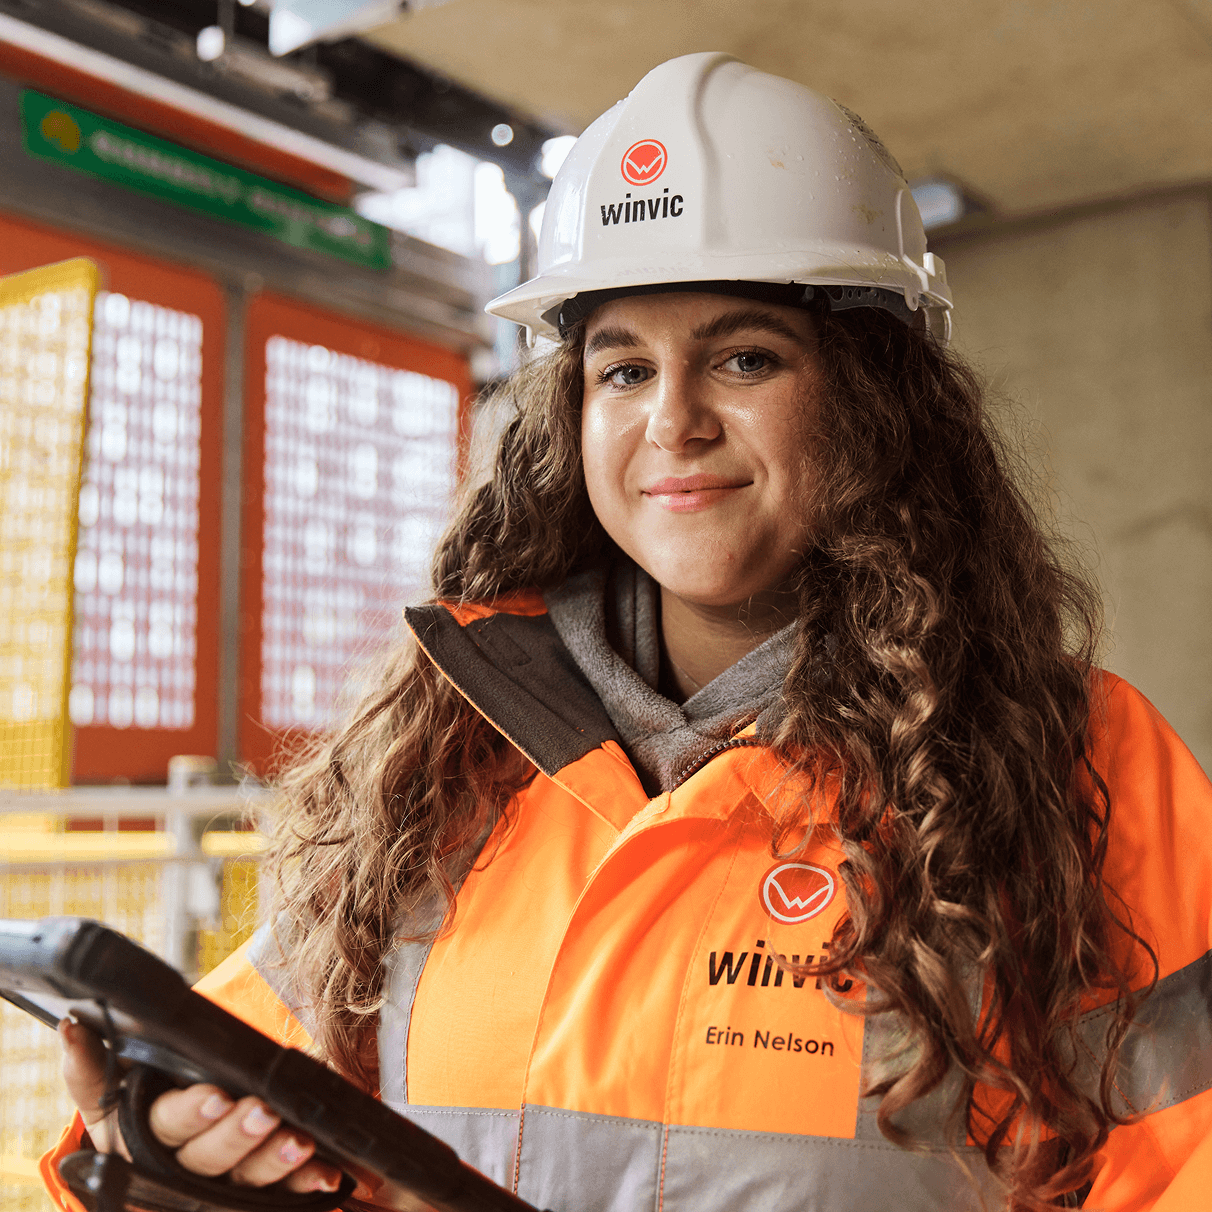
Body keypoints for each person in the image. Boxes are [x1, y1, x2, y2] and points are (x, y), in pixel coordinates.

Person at [50, 51, 1212, 1212]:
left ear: (874, 397)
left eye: (744, 358)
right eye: (623, 368)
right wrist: (154, 1158)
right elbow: (228, 1120)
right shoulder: (439, 762)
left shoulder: (1067, 764)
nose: (674, 421)